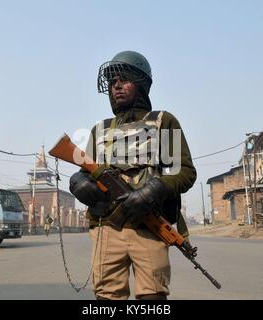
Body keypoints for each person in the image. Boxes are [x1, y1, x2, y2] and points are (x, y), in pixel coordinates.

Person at [69, 51, 197, 300]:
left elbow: (185, 172)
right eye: (112, 82)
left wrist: (154, 190)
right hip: (106, 227)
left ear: (141, 85)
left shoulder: (162, 121)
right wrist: (79, 183)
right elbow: (86, 170)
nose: (116, 86)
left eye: (123, 79)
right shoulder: (101, 129)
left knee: (152, 296)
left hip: (148, 225)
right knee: (106, 296)